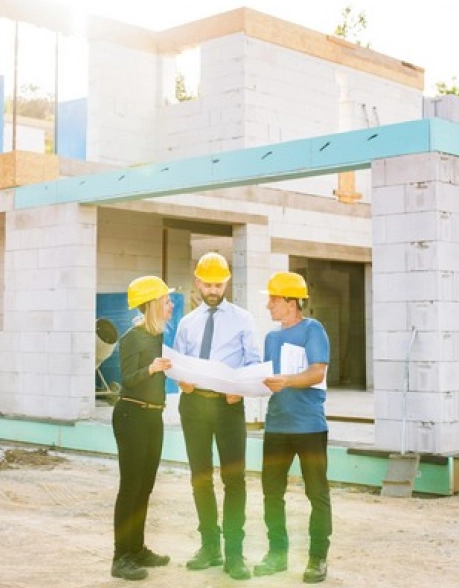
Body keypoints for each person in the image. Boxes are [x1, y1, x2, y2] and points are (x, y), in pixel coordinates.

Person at [173, 252, 261, 581]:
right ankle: (210, 547)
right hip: (194, 404)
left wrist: (242, 385)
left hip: (227, 406)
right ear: (198, 282)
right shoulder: (187, 323)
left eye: (219, 283)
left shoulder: (243, 319)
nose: (213, 289)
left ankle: (234, 554)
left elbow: (253, 361)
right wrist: (179, 377)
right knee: (200, 477)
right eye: (208, 283)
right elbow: (179, 361)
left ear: (227, 282)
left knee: (234, 480)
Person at [253, 271, 332, 584]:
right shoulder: (271, 338)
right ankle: (277, 554)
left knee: (317, 493)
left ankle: (317, 559)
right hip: (276, 428)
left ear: (290, 302)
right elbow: (268, 378)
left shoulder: (314, 330)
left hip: (309, 427)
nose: (269, 305)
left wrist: (286, 380)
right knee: (272, 493)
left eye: (273, 299)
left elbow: (316, 372)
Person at [111, 275, 174, 581]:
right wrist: (151, 368)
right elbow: (127, 380)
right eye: (166, 301)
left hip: (153, 417)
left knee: (146, 487)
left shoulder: (161, 337)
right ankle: (120, 556)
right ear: (152, 305)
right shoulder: (133, 338)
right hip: (131, 416)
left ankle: (136, 549)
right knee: (130, 488)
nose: (171, 306)